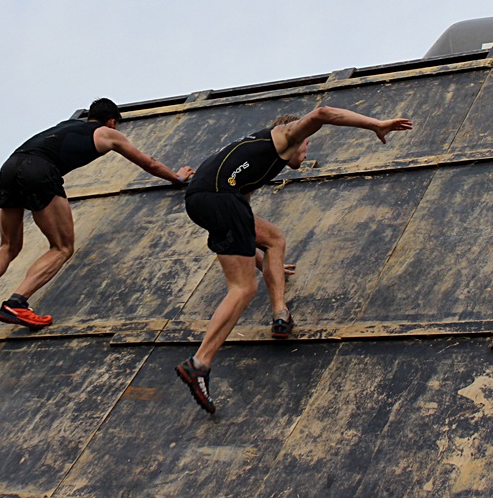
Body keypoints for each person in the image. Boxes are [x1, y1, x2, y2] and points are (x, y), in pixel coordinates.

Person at [176, 106, 413, 413]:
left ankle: (280, 314)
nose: (306, 148)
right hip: (219, 198)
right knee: (242, 289)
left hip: (205, 199)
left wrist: (265, 263)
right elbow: (324, 112)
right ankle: (199, 363)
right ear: (296, 135)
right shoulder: (285, 135)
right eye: (307, 143)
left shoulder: (256, 160)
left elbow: (245, 223)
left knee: (274, 239)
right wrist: (376, 124)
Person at [0, 98, 195, 337]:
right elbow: (148, 162)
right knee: (62, 247)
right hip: (39, 170)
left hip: (10, 167)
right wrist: (177, 178)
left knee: (8, 246)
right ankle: (16, 303)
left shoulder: (64, 125)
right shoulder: (107, 133)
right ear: (112, 121)